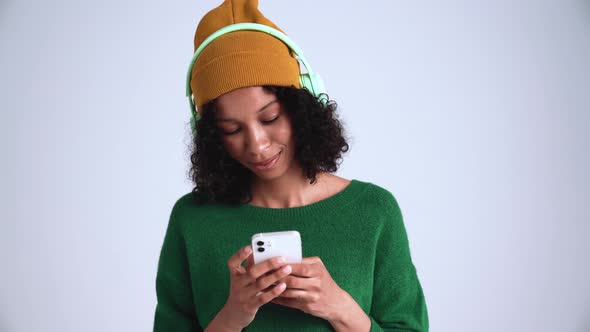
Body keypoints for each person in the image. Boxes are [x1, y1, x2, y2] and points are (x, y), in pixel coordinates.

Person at [153, 0, 429, 331]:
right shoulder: (193, 219)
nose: (257, 144)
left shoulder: (374, 211)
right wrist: (232, 315)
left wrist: (339, 307)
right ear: (211, 136)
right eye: (232, 129)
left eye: (270, 117)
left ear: (301, 107)